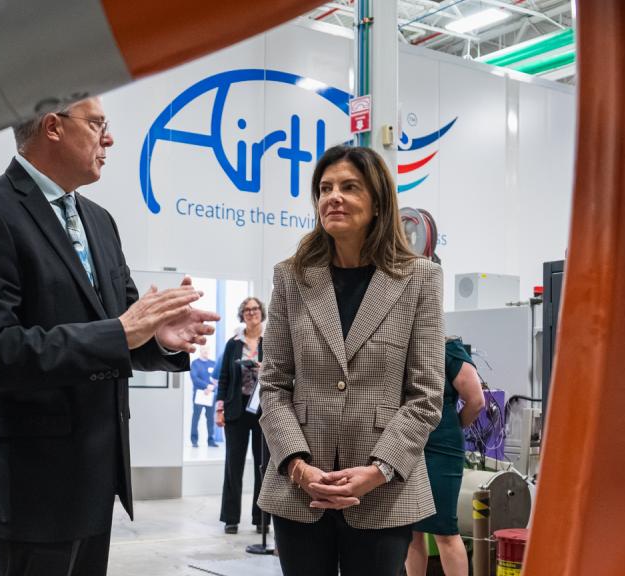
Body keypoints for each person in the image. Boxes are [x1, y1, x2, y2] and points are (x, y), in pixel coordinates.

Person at [0, 96, 219, 576]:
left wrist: (159, 338)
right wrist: (122, 331)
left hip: (97, 476)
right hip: (33, 484)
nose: (108, 138)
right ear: (53, 127)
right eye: (97, 125)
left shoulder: (99, 221)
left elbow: (123, 328)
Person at [257, 145, 445, 576]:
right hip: (300, 490)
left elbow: (426, 396)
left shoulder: (420, 279)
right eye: (324, 188)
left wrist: (377, 471)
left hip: (382, 493)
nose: (332, 197)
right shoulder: (292, 276)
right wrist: (298, 466)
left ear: (378, 203)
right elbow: (274, 384)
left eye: (348, 187)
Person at [405, 335, 485, 576]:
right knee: (410, 528)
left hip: (442, 446)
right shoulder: (405, 344)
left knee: (444, 529)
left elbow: (476, 400)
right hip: (407, 443)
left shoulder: (448, 348)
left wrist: (454, 425)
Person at [215, 297, 267, 534]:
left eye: (255, 309)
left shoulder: (271, 341)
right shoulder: (233, 344)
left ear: (261, 312)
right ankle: (231, 518)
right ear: (242, 314)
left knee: (262, 466)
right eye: (246, 310)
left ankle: (262, 519)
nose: (251, 313)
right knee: (232, 466)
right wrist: (220, 409)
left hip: (263, 412)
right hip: (236, 411)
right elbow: (224, 378)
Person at [190, 341, 218, 448]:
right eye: (203, 349)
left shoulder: (213, 363)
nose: (205, 351)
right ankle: (194, 440)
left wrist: (212, 387)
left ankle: (211, 440)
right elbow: (194, 378)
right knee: (196, 417)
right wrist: (207, 386)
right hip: (199, 395)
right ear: (200, 351)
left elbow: (217, 379)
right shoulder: (195, 364)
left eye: (207, 349)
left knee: (210, 418)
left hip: (211, 395)